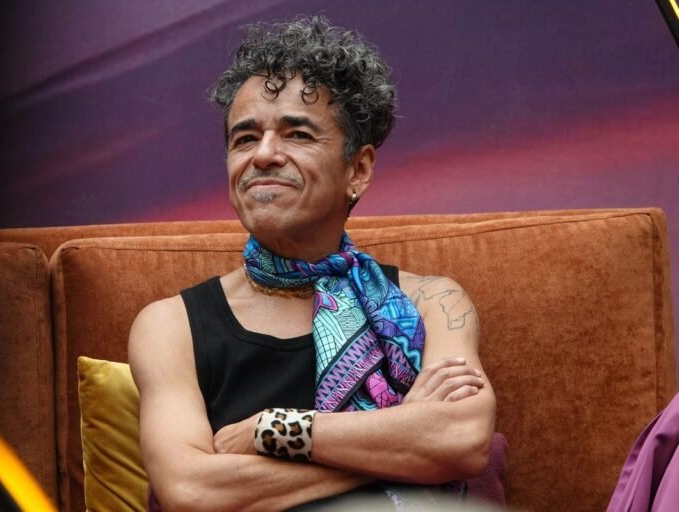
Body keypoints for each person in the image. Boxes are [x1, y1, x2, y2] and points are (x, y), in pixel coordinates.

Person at [129, 15, 496, 511]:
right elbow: (192, 491)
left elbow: (462, 439)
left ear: (358, 169)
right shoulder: (170, 326)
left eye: (297, 134)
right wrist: (405, 445)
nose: (263, 155)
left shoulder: (432, 302)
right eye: (244, 138)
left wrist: (271, 429)